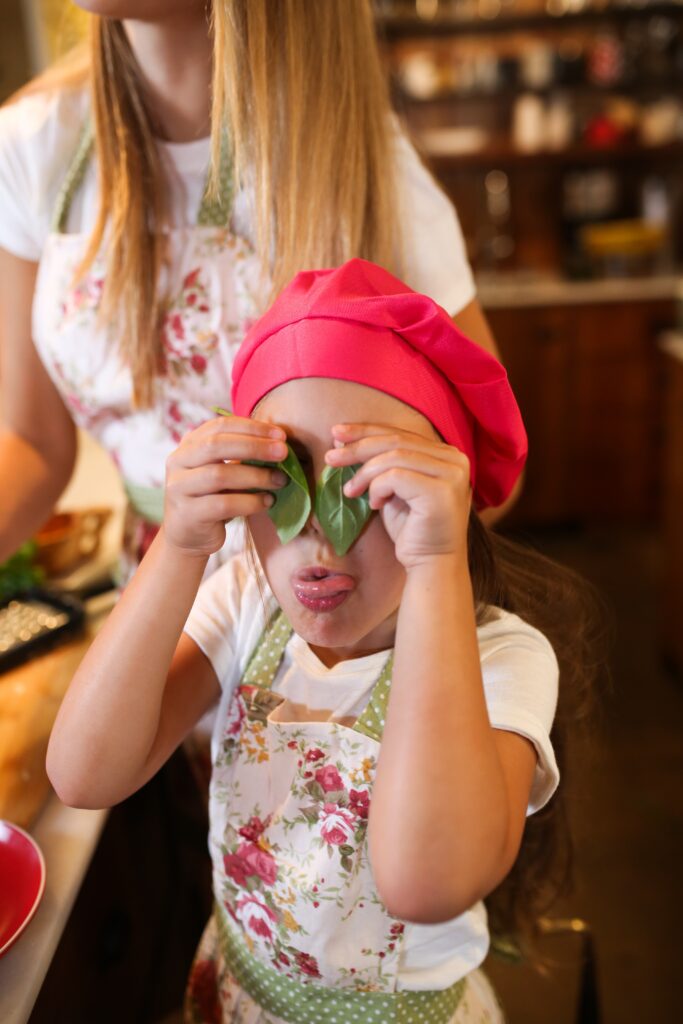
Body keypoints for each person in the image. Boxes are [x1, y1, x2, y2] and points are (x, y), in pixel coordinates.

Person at [47, 259, 598, 1023]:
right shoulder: (244, 602)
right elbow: (83, 773)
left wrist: (436, 565)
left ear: (445, 492)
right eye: (285, 485)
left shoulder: (500, 660)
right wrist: (177, 547)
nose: (318, 546)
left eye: (370, 489)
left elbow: (424, 881)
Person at [0, 0, 508, 580]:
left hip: (323, 613)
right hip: (150, 597)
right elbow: (35, 443)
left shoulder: (364, 173)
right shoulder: (33, 146)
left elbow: (480, 473)